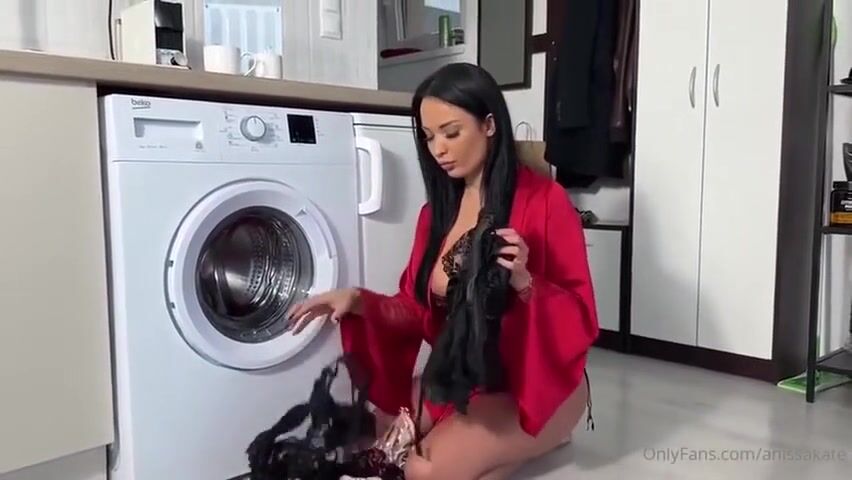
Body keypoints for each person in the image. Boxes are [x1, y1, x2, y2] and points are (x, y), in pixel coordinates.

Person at [285, 62, 599, 480]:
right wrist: (357, 300)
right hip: (464, 378)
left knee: (422, 469)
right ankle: (513, 448)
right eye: (429, 137)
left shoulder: (546, 201)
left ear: (489, 125)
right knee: (370, 434)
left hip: (538, 383)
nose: (439, 150)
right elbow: (415, 310)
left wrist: (526, 283)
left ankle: (544, 432)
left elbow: (581, 319)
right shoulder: (434, 216)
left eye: (451, 133)